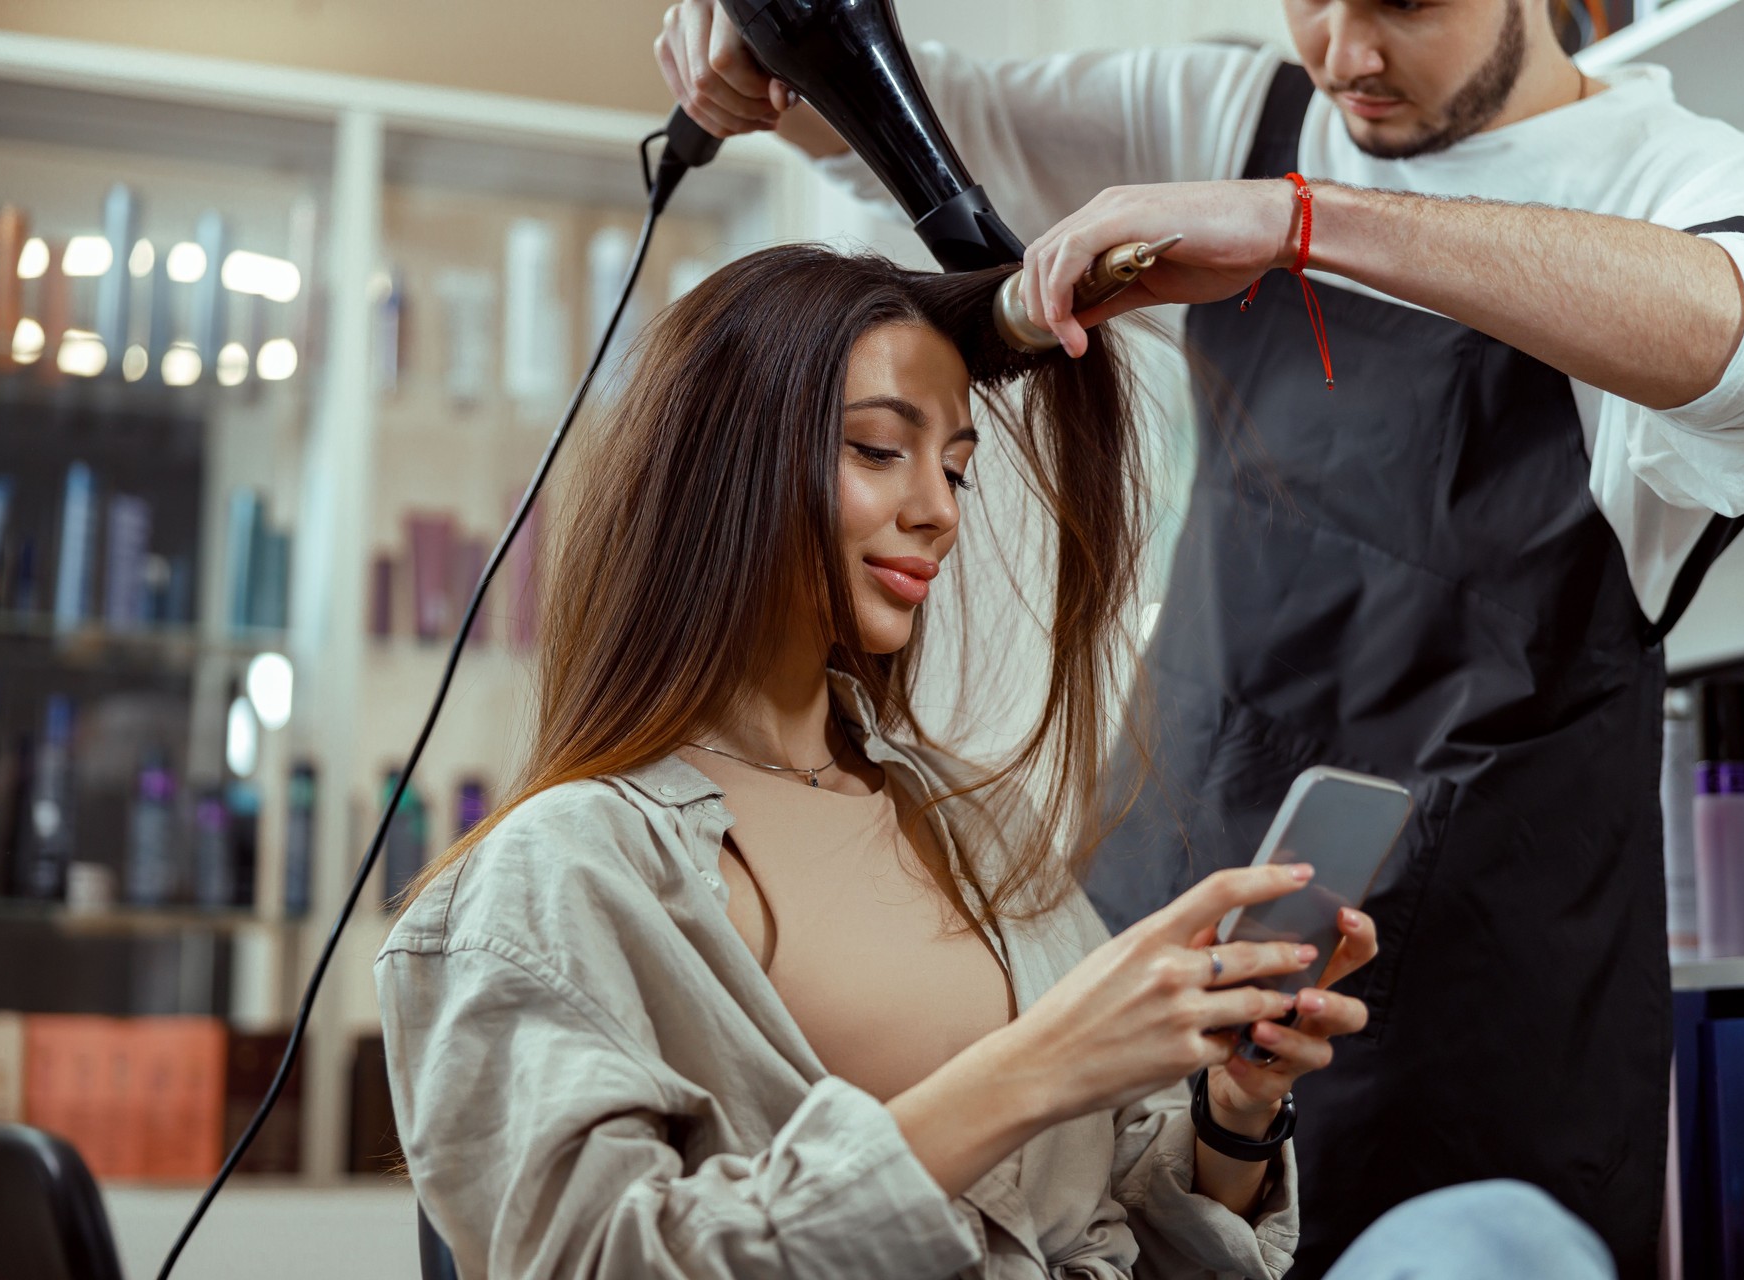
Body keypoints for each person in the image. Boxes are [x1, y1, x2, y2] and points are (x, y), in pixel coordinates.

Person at [654, 3, 1744, 1277]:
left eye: (1398, 2)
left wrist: (1301, 222)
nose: (1342, 55)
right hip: (1160, 929)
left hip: (1479, 1028)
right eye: (1311, 1)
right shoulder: (1249, 112)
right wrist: (764, 49)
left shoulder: (1681, 180)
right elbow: (898, 118)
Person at [375, 245, 1616, 1280]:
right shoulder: (559, 874)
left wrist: (1230, 1114)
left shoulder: (974, 830)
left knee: (1503, 1235)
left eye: (956, 468)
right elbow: (599, 1257)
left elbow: (1143, 1221)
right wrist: (1031, 1070)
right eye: (878, 450)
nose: (938, 509)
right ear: (720, 465)